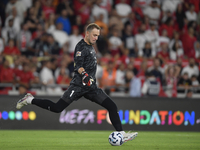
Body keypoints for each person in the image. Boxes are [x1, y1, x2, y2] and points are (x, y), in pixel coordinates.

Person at [16, 23, 138, 143]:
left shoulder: (91, 46)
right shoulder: (81, 47)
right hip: (78, 86)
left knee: (112, 106)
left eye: (98, 35)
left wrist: (89, 79)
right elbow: (78, 66)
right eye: (94, 35)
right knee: (57, 108)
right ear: (87, 33)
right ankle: (29, 99)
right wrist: (84, 75)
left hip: (91, 87)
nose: (96, 38)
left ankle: (121, 134)